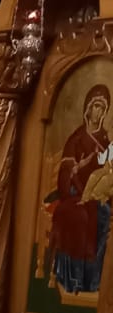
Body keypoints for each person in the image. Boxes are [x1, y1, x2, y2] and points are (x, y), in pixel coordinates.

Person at [48, 84, 113, 295]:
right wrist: (80, 188)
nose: (98, 112)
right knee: (80, 217)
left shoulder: (105, 141)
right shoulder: (76, 139)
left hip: (98, 195)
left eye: (102, 109)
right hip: (75, 194)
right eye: (95, 107)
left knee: (104, 216)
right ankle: (73, 280)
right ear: (88, 109)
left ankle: (94, 281)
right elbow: (67, 172)